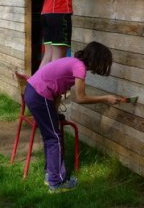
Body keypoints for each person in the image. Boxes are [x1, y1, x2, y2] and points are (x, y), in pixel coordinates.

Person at [21, 41, 124, 193]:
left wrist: (54, 115)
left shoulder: (74, 63)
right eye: (104, 62)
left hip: (34, 92)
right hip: (39, 95)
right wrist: (106, 98)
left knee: (52, 137)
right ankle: (56, 184)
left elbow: (56, 91)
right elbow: (81, 98)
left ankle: (51, 175)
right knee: (54, 138)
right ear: (97, 59)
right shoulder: (79, 68)